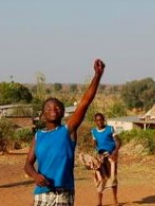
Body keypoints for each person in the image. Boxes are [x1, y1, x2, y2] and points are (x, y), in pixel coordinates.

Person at [24, 59, 105, 206]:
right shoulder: (38, 136)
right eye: (48, 108)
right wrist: (36, 176)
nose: (53, 110)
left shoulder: (68, 130)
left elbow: (85, 102)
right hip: (42, 193)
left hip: (64, 193)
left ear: (62, 113)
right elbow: (27, 165)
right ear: (42, 115)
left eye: (57, 108)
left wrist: (97, 75)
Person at [91, 113, 121, 206]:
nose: (99, 122)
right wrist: (96, 153)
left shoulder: (110, 129)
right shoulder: (93, 131)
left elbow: (118, 142)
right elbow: (95, 143)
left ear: (104, 120)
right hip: (100, 158)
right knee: (100, 178)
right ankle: (99, 202)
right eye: (97, 120)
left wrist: (115, 152)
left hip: (111, 157)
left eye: (101, 120)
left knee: (113, 178)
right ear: (95, 121)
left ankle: (115, 201)